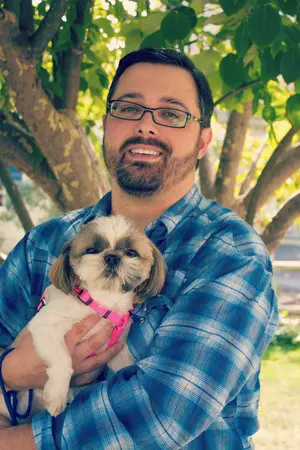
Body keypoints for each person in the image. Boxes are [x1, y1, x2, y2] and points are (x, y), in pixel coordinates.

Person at [0, 48, 278, 449]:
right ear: (106, 124)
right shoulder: (44, 244)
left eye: (171, 114)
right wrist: (11, 368)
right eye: (129, 108)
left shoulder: (230, 255)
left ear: (203, 141)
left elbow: (160, 419)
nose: (147, 127)